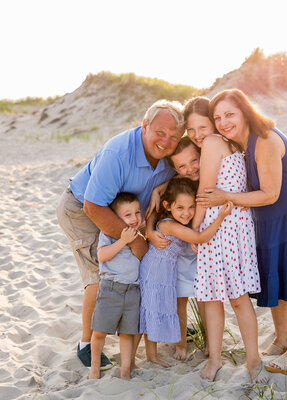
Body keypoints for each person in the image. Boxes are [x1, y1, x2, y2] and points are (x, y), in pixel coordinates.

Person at [197, 89, 287, 375]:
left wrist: (225, 196)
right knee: (278, 274)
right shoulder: (238, 143)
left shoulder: (264, 139)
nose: (224, 122)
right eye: (218, 117)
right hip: (272, 215)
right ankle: (283, 338)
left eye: (230, 114)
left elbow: (270, 193)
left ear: (245, 112)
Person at [56, 100, 184, 369]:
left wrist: (162, 189)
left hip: (126, 213)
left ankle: (155, 323)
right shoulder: (119, 151)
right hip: (82, 208)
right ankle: (86, 343)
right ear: (144, 125)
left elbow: (183, 174)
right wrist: (136, 240)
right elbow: (93, 206)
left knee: (141, 269)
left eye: (174, 136)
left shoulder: (169, 157)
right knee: (100, 276)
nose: (166, 141)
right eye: (160, 132)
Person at [183, 96, 267, 384]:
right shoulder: (231, 143)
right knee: (221, 297)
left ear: (213, 121)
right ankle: (233, 358)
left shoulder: (212, 143)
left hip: (222, 227)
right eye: (191, 130)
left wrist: (195, 228)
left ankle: (247, 359)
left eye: (202, 126)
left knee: (226, 298)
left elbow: (206, 189)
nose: (197, 135)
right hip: (235, 225)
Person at [140, 177, 233, 367]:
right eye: (180, 208)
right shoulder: (168, 224)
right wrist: (220, 218)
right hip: (162, 270)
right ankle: (174, 346)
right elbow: (200, 237)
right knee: (167, 306)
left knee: (199, 300)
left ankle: (208, 341)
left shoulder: (179, 219)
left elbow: (191, 227)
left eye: (191, 207)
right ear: (167, 206)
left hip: (179, 265)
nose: (187, 213)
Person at [89, 193, 142, 380]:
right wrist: (123, 241)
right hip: (111, 288)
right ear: (115, 218)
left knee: (127, 333)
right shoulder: (109, 234)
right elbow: (102, 255)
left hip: (133, 291)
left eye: (137, 212)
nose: (134, 218)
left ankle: (125, 371)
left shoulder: (139, 235)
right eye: (127, 215)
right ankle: (94, 368)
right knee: (99, 332)